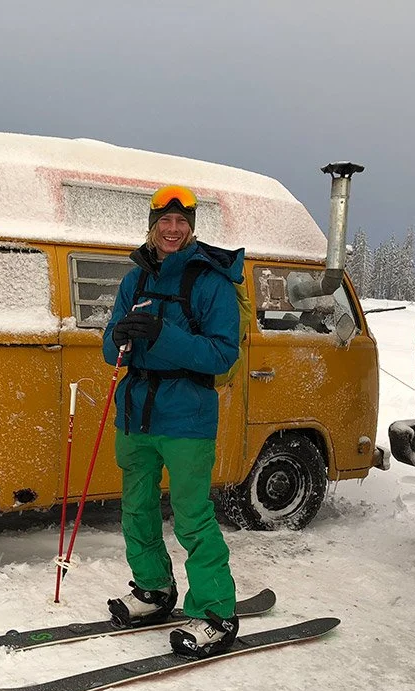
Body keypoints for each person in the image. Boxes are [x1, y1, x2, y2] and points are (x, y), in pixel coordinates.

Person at [102, 184, 244, 658]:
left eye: (182, 222)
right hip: (136, 413)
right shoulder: (134, 279)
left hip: (187, 416)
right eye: (165, 220)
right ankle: (153, 590)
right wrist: (118, 334)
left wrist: (164, 335)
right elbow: (109, 350)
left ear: (192, 227)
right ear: (153, 223)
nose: (173, 229)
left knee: (191, 518)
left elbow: (223, 355)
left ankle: (216, 614)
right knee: (137, 508)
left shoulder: (212, 282)